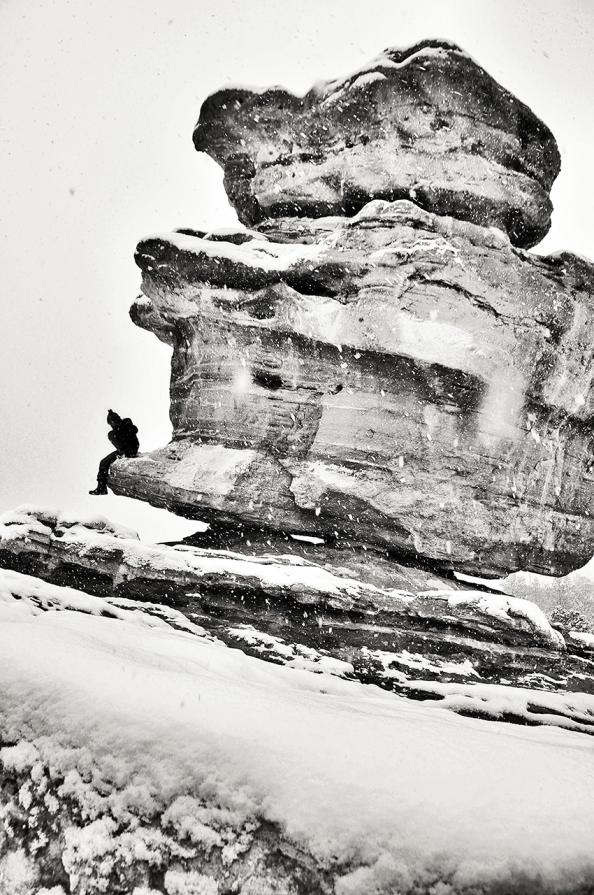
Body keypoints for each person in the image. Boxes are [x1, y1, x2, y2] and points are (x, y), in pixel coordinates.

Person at [89, 409, 139, 495]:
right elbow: (134, 430)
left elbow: (134, 430)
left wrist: (123, 452)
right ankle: (101, 488)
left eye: (111, 423)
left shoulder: (119, 428)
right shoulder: (125, 424)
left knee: (104, 462)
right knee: (104, 462)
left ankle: (101, 488)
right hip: (131, 448)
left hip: (128, 450)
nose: (112, 425)